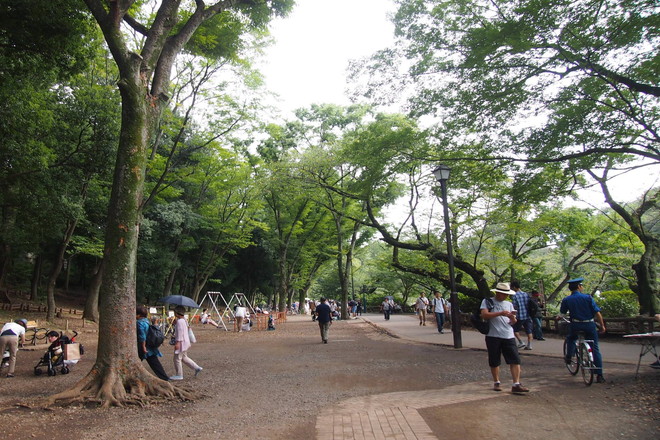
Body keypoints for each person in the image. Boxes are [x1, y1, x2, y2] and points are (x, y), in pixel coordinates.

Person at [480, 282, 529, 394]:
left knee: (515, 359)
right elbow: (484, 315)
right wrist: (500, 313)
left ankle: (516, 383)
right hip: (493, 335)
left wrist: (513, 319)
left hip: (508, 334)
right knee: (494, 360)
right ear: (498, 292)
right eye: (503, 294)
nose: (505, 296)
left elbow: (513, 321)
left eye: (507, 294)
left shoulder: (509, 304)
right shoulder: (488, 301)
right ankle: (496, 381)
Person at [559, 277, 606, 383]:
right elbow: (597, 312)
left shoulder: (567, 300)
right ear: (579, 287)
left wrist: (558, 317)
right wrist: (602, 326)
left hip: (575, 325)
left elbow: (562, 314)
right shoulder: (588, 298)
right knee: (595, 348)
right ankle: (599, 375)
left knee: (571, 338)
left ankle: (569, 356)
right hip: (589, 325)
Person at [170, 305, 202, 380]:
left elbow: (180, 333)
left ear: (177, 313)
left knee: (177, 358)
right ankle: (197, 367)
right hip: (185, 341)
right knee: (184, 357)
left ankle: (179, 374)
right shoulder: (184, 320)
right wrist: (175, 324)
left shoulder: (180, 321)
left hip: (181, 342)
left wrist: (177, 343)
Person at [136, 307, 169, 381]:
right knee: (154, 363)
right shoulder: (147, 321)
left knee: (139, 360)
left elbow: (142, 336)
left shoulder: (139, 323)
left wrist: (143, 346)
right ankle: (164, 377)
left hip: (144, 346)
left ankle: (164, 378)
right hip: (150, 345)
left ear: (139, 315)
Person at [511, 280, 534, 350]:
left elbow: (514, 306)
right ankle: (529, 345)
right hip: (527, 315)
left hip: (519, 316)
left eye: (512, 287)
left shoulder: (514, 296)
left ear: (514, 287)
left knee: (515, 330)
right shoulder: (526, 294)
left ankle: (521, 342)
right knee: (529, 331)